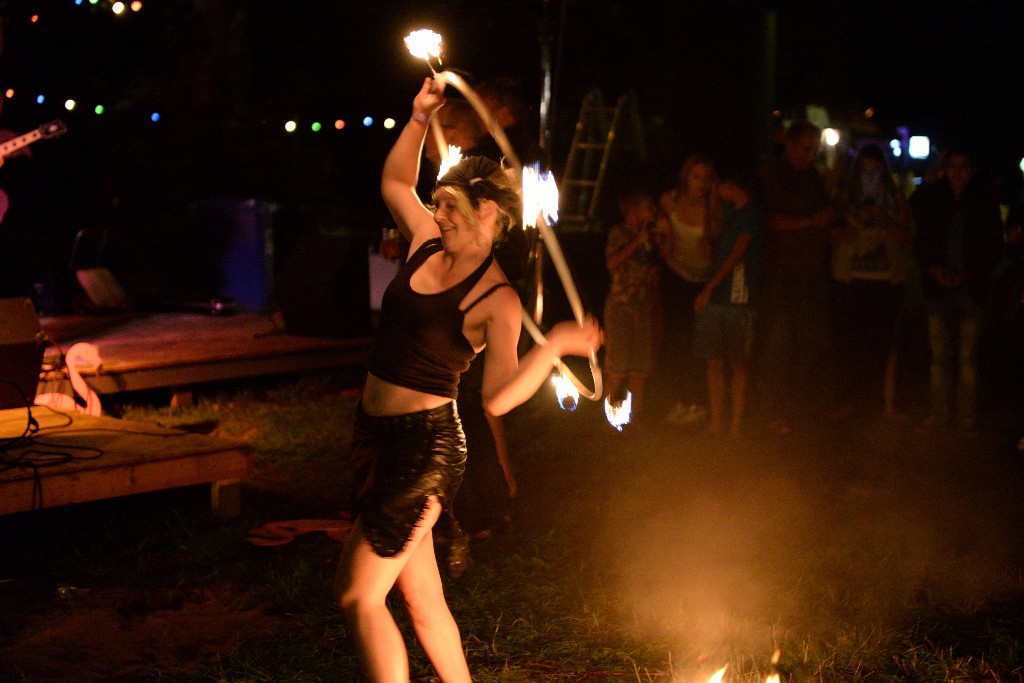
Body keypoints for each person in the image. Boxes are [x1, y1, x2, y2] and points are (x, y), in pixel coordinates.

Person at [334, 77, 602, 683]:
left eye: (451, 204)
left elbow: (499, 396)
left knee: (358, 596)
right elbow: (394, 184)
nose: (439, 211)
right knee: (423, 602)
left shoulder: (498, 300)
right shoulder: (427, 243)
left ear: (488, 212)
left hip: (424, 450)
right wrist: (417, 117)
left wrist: (555, 344)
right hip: (373, 439)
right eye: (439, 201)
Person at [911, 147, 1004, 432]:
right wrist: (934, 268)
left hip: (970, 288)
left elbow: (993, 247)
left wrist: (968, 273)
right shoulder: (934, 197)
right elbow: (921, 237)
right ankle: (940, 413)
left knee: (966, 357)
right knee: (940, 356)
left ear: (972, 170)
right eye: (953, 166)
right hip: (938, 288)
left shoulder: (983, 202)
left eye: (963, 166)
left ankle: (965, 416)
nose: (957, 172)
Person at [756, 120, 835, 433]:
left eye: (813, 151)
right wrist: (812, 221)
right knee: (777, 344)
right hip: (779, 276)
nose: (809, 155)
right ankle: (767, 411)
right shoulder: (771, 176)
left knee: (810, 343)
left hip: (810, 276)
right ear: (789, 145)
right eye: (805, 149)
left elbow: (822, 217)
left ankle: (794, 407)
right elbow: (770, 221)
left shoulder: (813, 177)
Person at [829, 144, 914, 420]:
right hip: (851, 281)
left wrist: (883, 219)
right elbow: (833, 237)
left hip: (886, 283)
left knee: (884, 344)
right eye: (865, 171)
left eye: (875, 171)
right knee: (850, 343)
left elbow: (906, 238)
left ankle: (883, 402)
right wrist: (858, 220)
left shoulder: (895, 199)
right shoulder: (845, 199)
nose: (870, 177)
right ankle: (849, 401)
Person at [692, 163, 765, 438]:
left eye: (719, 185)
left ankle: (734, 426)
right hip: (718, 297)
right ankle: (716, 423)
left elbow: (736, 255)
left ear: (731, 186)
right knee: (713, 360)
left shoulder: (752, 213)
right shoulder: (728, 211)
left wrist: (709, 287)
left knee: (737, 363)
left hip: (739, 297)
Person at [654, 153, 721, 425]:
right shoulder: (670, 201)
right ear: (686, 177)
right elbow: (659, 235)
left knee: (701, 345)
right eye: (696, 177)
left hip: (705, 281)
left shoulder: (715, 206)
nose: (701, 183)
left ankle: (698, 403)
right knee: (675, 340)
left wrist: (712, 248)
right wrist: (665, 241)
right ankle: (677, 402)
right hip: (676, 276)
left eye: (706, 178)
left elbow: (718, 247)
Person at [602, 184, 662, 423]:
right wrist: (638, 241)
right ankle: (611, 416)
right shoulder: (620, 233)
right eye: (648, 207)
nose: (652, 210)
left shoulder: (652, 236)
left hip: (643, 308)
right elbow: (611, 263)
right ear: (632, 210)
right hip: (620, 306)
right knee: (616, 365)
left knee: (640, 367)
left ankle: (634, 420)